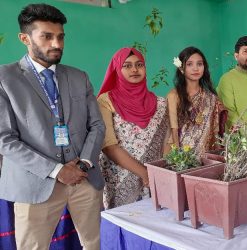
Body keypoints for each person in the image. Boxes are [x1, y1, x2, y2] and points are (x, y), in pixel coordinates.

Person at [0, 4, 105, 250]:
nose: (56, 44)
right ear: (25, 38)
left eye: (60, 36)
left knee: (95, 244)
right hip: (34, 184)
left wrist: (84, 163)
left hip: (84, 179)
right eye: (46, 36)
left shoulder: (79, 77)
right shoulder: (6, 79)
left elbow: (97, 125)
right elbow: (5, 139)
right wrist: (57, 170)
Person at [97, 48, 170, 209]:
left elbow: (167, 142)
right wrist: (144, 173)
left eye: (139, 65)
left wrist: (160, 173)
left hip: (154, 181)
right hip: (119, 179)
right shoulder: (105, 101)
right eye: (127, 65)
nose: (135, 69)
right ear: (117, 69)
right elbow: (108, 145)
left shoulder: (161, 103)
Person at [167, 47, 223, 155]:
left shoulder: (211, 98)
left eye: (199, 64)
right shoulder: (174, 96)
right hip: (182, 158)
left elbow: (215, 133)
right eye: (189, 64)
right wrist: (180, 160)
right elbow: (173, 131)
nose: (195, 68)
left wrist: (218, 159)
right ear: (181, 68)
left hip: (206, 157)